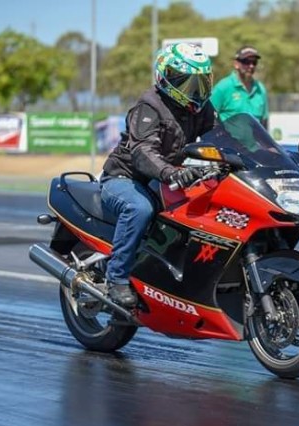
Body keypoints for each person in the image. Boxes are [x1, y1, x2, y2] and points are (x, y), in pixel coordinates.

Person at [100, 42, 216, 307]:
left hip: (164, 178)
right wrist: (170, 172)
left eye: (200, 84)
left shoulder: (202, 108)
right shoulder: (149, 106)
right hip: (124, 178)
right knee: (139, 209)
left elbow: (220, 138)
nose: (194, 92)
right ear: (165, 77)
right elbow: (142, 152)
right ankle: (116, 279)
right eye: (186, 83)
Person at [210, 45, 269, 129]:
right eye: (246, 62)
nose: (251, 66)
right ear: (236, 64)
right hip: (227, 141)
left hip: (255, 142)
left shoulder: (261, 89)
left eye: (254, 62)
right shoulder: (223, 87)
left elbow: (264, 122)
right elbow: (208, 118)